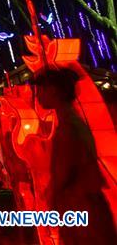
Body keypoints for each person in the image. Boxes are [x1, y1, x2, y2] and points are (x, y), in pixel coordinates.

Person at [35, 69, 117, 244]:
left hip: (80, 208)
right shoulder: (72, 123)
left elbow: (63, 174)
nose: (37, 96)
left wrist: (51, 194)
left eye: (40, 90)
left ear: (53, 90)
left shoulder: (68, 128)